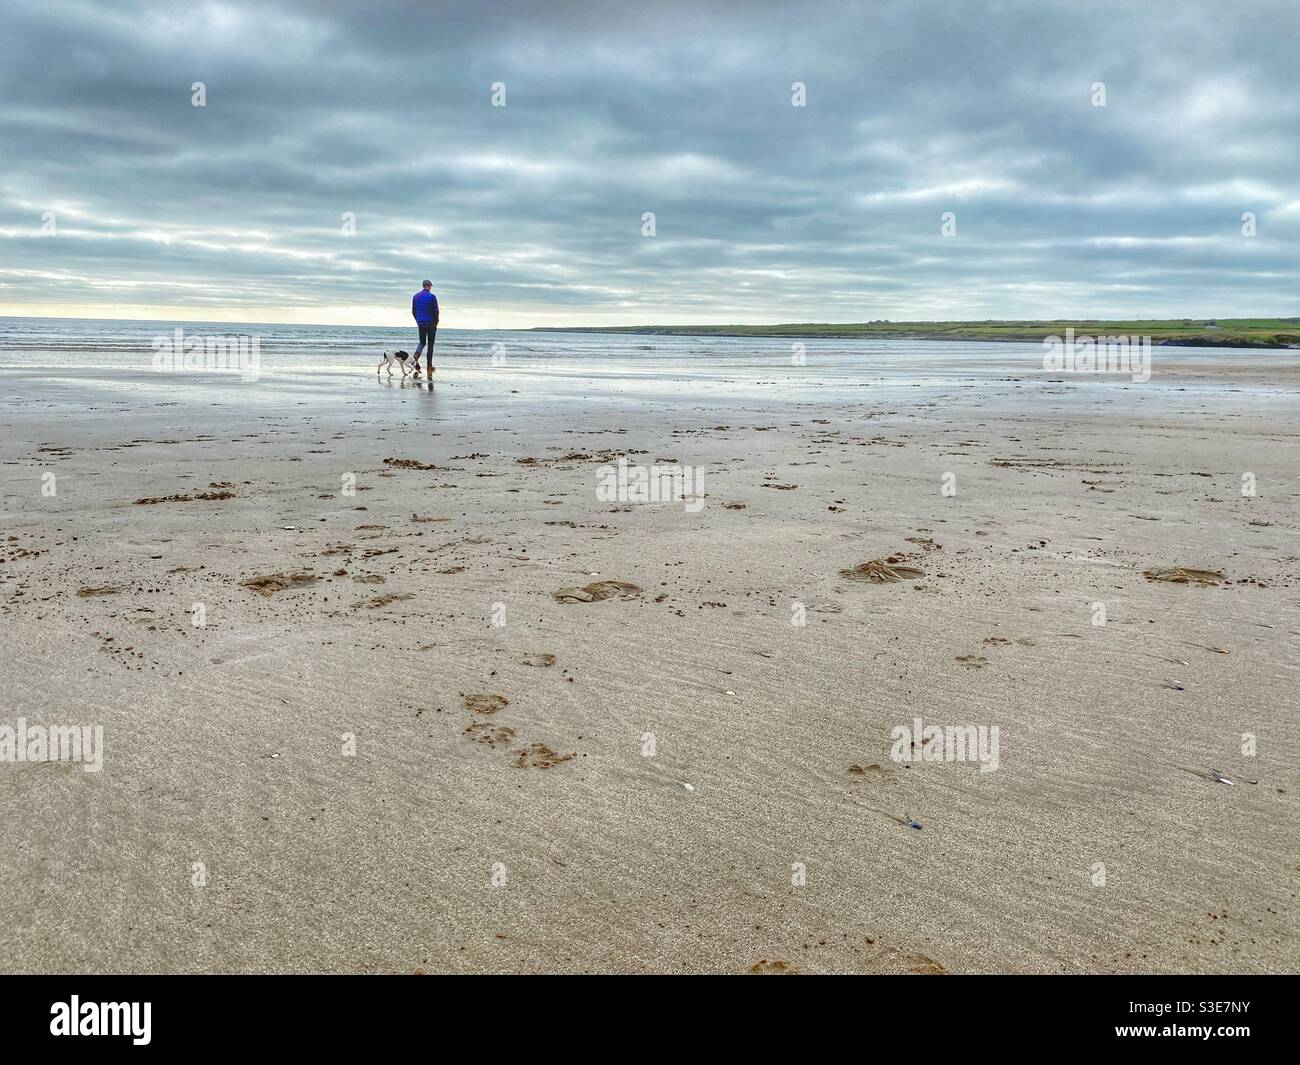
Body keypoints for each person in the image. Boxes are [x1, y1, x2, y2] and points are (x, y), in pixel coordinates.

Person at [411, 280, 439, 377]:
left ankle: (415, 356)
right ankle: (429, 365)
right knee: (430, 344)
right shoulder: (432, 297)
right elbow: (436, 311)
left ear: (423, 286)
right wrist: (436, 322)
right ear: (430, 286)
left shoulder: (415, 296)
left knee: (422, 342)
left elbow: (413, 311)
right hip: (431, 323)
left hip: (421, 323)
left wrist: (418, 320)